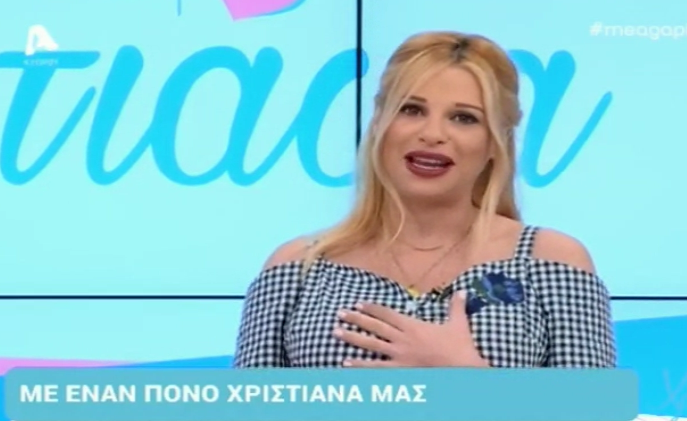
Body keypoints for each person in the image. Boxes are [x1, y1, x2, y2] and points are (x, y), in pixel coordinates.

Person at [232, 31, 616, 368]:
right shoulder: (298, 268)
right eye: (411, 110)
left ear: (496, 142)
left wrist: (470, 382)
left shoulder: (550, 261)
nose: (432, 134)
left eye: (464, 118)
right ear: (380, 121)